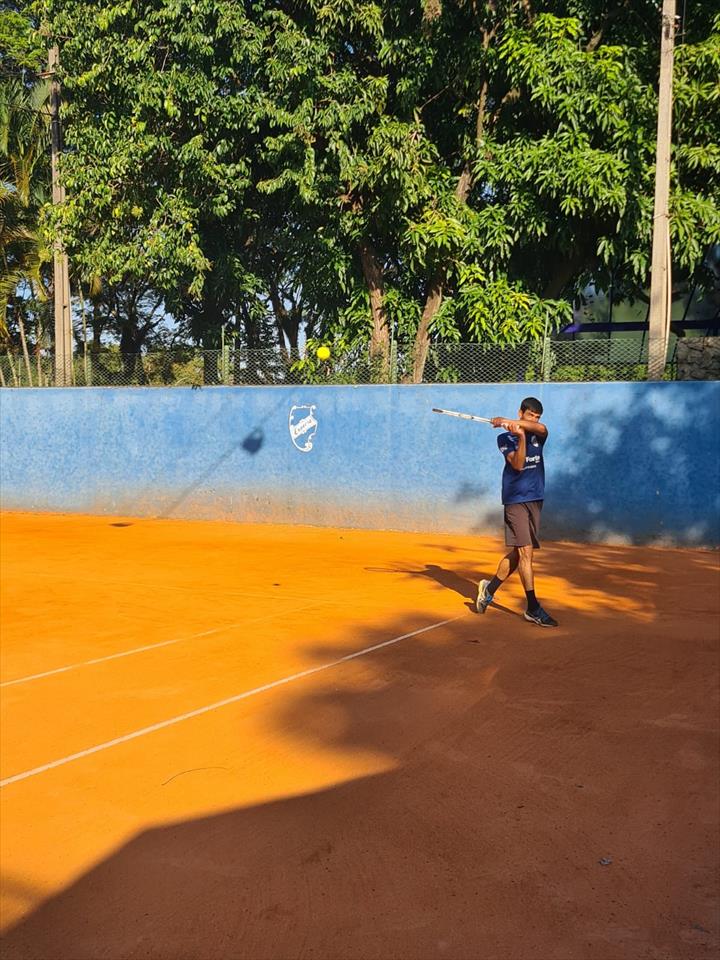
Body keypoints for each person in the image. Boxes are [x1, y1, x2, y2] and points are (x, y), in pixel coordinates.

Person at [476, 397, 558, 627]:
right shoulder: (504, 438)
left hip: (535, 498)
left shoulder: (539, 433)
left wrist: (513, 423)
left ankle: (488, 589)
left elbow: (542, 428)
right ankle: (532, 607)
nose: (534, 420)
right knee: (526, 553)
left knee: (518, 554)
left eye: (537, 417)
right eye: (530, 415)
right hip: (515, 500)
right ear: (521, 412)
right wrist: (519, 436)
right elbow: (518, 465)